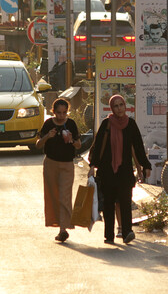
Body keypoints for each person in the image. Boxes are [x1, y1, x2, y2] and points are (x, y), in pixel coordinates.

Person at [89, 95, 151, 245]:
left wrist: (146, 165)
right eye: (116, 106)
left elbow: (138, 147)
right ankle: (109, 235)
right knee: (109, 203)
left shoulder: (131, 125)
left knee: (125, 202)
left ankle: (127, 232)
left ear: (125, 106)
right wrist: (92, 166)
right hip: (107, 171)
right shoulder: (106, 124)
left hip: (124, 171)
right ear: (112, 108)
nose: (119, 108)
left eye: (121, 105)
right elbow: (97, 147)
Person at [34, 98, 81, 242]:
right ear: (53, 112)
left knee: (65, 196)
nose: (61, 116)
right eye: (59, 113)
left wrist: (71, 140)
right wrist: (48, 136)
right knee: (53, 195)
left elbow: (79, 145)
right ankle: (59, 224)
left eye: (64, 113)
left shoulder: (71, 124)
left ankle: (63, 229)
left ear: (67, 112)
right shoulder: (48, 124)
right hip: (51, 163)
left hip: (67, 164)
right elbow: (38, 144)